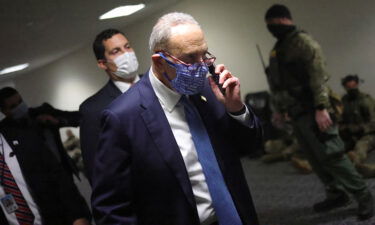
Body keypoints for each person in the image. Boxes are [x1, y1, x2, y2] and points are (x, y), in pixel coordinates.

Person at [91, 12, 262, 225]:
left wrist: (236, 109)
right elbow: (111, 207)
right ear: (159, 61)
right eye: (190, 57)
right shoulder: (123, 117)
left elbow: (249, 146)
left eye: (204, 54)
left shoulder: (209, 91)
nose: (201, 66)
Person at [265, 4, 373, 220]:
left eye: (274, 24)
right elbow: (279, 85)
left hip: (314, 109)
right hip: (296, 113)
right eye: (269, 26)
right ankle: (336, 193)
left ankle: (364, 196)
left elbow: (319, 78)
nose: (272, 28)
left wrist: (321, 108)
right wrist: (280, 109)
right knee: (314, 158)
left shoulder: (303, 43)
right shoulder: (279, 48)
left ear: (285, 20)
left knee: (333, 155)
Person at [0, 87, 91, 225]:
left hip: (60, 170)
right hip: (37, 183)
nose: (20, 107)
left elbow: (78, 118)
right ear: (4, 111)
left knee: (71, 203)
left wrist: (56, 121)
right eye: (13, 106)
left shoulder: (40, 112)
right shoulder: (8, 130)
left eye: (20, 101)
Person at [79, 28, 142, 182]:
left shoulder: (159, 83)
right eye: (116, 51)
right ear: (102, 63)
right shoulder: (94, 109)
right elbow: (97, 169)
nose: (126, 54)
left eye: (127, 47)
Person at [339, 75, 375, 177]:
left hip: (368, 135)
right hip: (350, 135)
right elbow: (339, 120)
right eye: (348, 87)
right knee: (336, 147)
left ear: (357, 85)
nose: (351, 89)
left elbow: (373, 122)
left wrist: (359, 128)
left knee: (360, 147)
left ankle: (361, 167)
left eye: (354, 86)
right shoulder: (343, 101)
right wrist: (342, 128)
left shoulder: (366, 100)